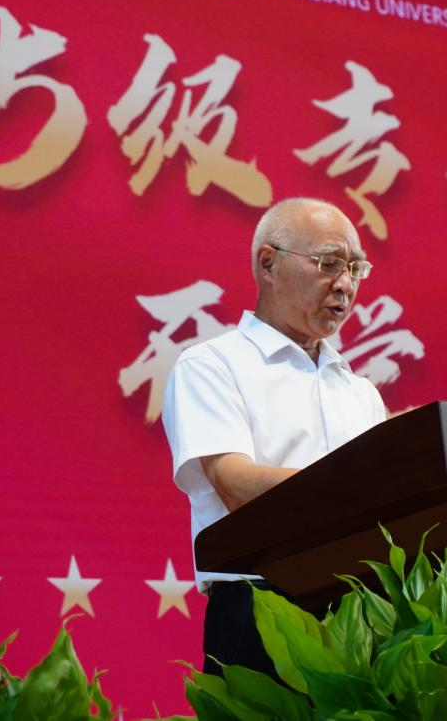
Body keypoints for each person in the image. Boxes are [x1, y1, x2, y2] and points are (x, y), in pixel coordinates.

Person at [162, 197, 387, 676]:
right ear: (268, 263)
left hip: (361, 612)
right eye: (329, 263)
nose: (345, 284)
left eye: (355, 269)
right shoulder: (213, 366)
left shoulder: (360, 392)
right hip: (261, 612)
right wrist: (356, 491)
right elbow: (235, 483)